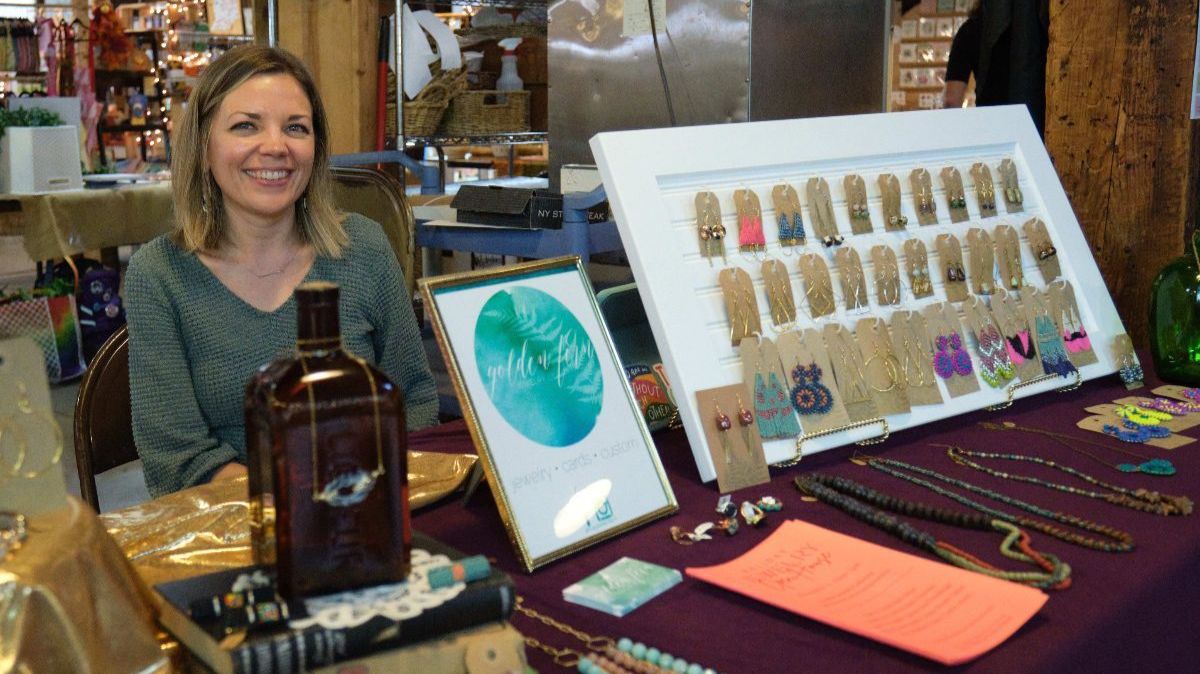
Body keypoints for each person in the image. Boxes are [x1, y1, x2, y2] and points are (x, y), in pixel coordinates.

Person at [126, 45, 438, 497]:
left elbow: (416, 404)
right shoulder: (158, 275)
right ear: (204, 146)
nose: (276, 147)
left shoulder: (365, 248)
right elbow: (179, 463)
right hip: (232, 530)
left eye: (296, 127)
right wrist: (305, 508)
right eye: (245, 126)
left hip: (367, 515)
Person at [943, 0, 1049, 134]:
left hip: (992, 128)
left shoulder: (970, 29)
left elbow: (951, 100)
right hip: (1039, 131)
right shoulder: (1045, 26)